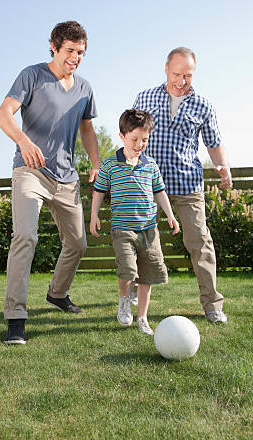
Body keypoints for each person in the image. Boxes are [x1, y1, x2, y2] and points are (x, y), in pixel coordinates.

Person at [0, 21, 100, 344]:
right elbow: (3, 114)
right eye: (69, 50)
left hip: (67, 178)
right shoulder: (32, 76)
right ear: (54, 47)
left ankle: (57, 293)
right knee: (25, 236)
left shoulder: (84, 88)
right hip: (31, 172)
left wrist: (97, 163)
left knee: (78, 244)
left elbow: (86, 129)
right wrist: (25, 143)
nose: (75, 57)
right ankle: (15, 316)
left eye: (80, 52)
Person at [133, 47, 232, 324]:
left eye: (187, 75)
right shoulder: (145, 97)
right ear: (166, 69)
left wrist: (222, 166)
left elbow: (214, 143)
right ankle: (132, 289)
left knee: (201, 243)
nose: (181, 80)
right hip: (148, 185)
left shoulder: (203, 104)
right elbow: (133, 135)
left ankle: (212, 305)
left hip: (187, 184)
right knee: (139, 240)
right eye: (176, 73)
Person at [90, 109, 180, 335]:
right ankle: (124, 300)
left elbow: (159, 192)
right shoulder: (111, 165)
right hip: (122, 228)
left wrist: (170, 214)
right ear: (122, 136)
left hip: (149, 229)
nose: (140, 144)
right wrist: (94, 216)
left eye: (144, 140)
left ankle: (142, 317)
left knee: (148, 275)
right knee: (128, 270)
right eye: (134, 139)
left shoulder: (151, 165)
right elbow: (99, 192)